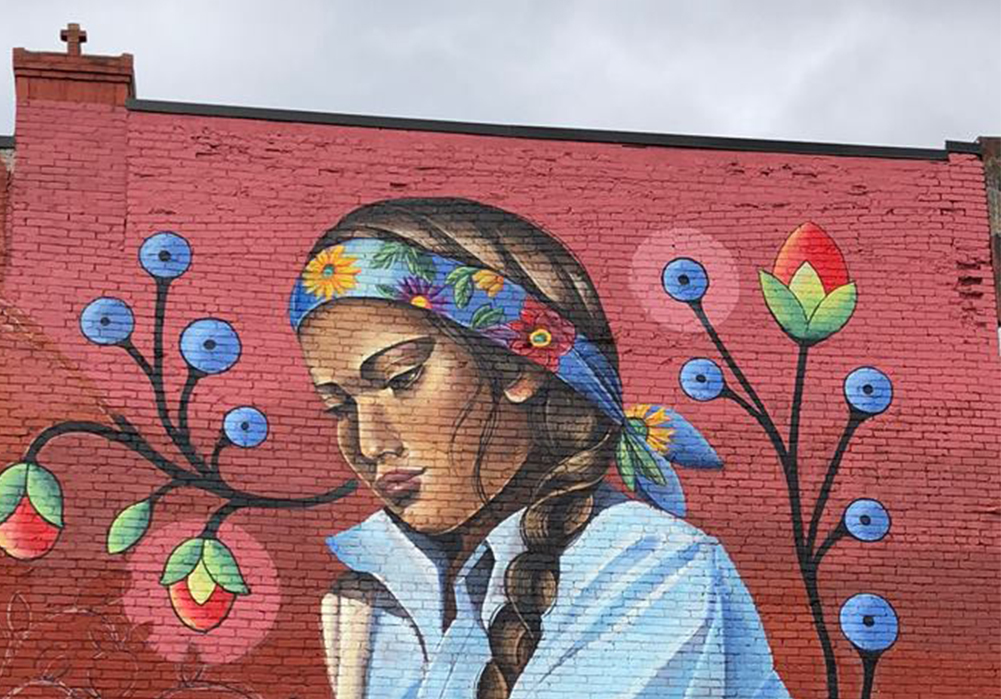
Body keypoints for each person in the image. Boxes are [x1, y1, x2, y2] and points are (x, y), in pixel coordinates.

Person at [289, 198, 789, 699]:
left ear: (520, 368)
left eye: (402, 378)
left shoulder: (648, 570)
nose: (370, 442)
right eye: (339, 407)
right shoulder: (377, 594)